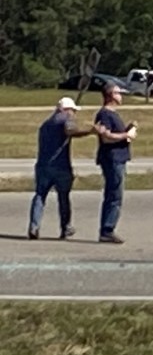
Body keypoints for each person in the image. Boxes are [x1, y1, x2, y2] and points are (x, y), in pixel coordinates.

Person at [28, 97, 96, 241]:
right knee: (63, 197)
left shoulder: (45, 124)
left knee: (40, 195)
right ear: (66, 109)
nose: (74, 114)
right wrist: (90, 131)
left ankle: (34, 226)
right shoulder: (66, 119)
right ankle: (65, 228)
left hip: (42, 165)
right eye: (73, 111)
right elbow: (70, 130)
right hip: (61, 166)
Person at [93, 83, 137, 244]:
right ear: (111, 95)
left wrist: (128, 130)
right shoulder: (104, 114)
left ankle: (108, 228)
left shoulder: (113, 114)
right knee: (114, 195)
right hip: (112, 158)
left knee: (116, 194)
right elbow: (106, 137)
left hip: (119, 158)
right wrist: (126, 135)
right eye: (118, 93)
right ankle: (107, 229)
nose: (121, 96)